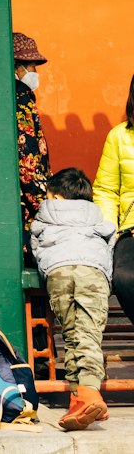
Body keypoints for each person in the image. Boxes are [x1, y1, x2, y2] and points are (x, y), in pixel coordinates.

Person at [31, 166, 114, 431]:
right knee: (88, 333)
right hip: (93, 272)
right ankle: (88, 393)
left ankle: (80, 398)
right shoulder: (99, 217)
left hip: (60, 272)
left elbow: (35, 247)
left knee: (71, 335)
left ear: (54, 196)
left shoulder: (43, 216)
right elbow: (110, 241)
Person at [93, 73, 134, 332]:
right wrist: (112, 231)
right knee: (125, 277)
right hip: (131, 229)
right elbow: (106, 190)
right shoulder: (119, 136)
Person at [14, 30, 50, 252]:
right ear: (17, 66)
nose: (35, 72)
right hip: (26, 201)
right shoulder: (21, 95)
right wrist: (43, 201)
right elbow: (27, 153)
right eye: (31, 65)